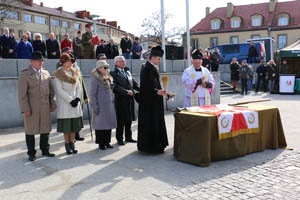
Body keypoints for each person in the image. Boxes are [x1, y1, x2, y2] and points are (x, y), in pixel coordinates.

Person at [18, 51, 56, 161]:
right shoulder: (25, 74)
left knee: (45, 129)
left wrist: (52, 104)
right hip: (32, 107)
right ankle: (31, 153)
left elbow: (51, 91)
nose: (41, 62)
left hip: (45, 106)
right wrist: (25, 109)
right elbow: (22, 94)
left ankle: (45, 149)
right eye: (38, 60)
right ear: (32, 61)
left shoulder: (46, 73)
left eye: (42, 60)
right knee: (30, 130)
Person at [137, 46, 168, 154]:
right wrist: (156, 92)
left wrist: (161, 91)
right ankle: (151, 147)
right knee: (151, 123)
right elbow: (145, 87)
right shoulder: (146, 68)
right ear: (152, 58)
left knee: (157, 122)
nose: (160, 61)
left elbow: (154, 84)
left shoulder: (153, 67)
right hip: (149, 103)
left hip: (155, 101)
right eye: (158, 59)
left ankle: (159, 145)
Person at [53, 54, 83, 154]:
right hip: (66, 103)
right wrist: (70, 100)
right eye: (69, 61)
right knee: (67, 126)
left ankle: (72, 143)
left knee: (74, 125)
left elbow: (79, 86)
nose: (71, 63)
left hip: (75, 102)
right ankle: (67, 144)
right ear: (63, 62)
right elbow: (59, 90)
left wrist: (78, 98)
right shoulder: (59, 74)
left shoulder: (75, 72)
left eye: (71, 61)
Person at [110, 56, 140, 145]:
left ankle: (128, 137)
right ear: (116, 63)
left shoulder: (128, 72)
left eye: (124, 61)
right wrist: (125, 92)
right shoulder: (112, 74)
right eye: (121, 61)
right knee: (121, 120)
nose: (124, 63)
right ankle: (119, 138)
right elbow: (114, 86)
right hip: (120, 100)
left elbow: (134, 84)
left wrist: (143, 89)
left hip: (130, 99)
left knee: (129, 119)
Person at [89, 60, 117, 150]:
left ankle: (107, 142)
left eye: (107, 67)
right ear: (99, 68)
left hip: (108, 105)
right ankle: (101, 143)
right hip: (100, 105)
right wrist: (95, 106)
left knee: (108, 124)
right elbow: (92, 94)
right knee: (100, 125)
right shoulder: (95, 78)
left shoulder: (108, 77)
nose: (107, 69)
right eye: (105, 67)